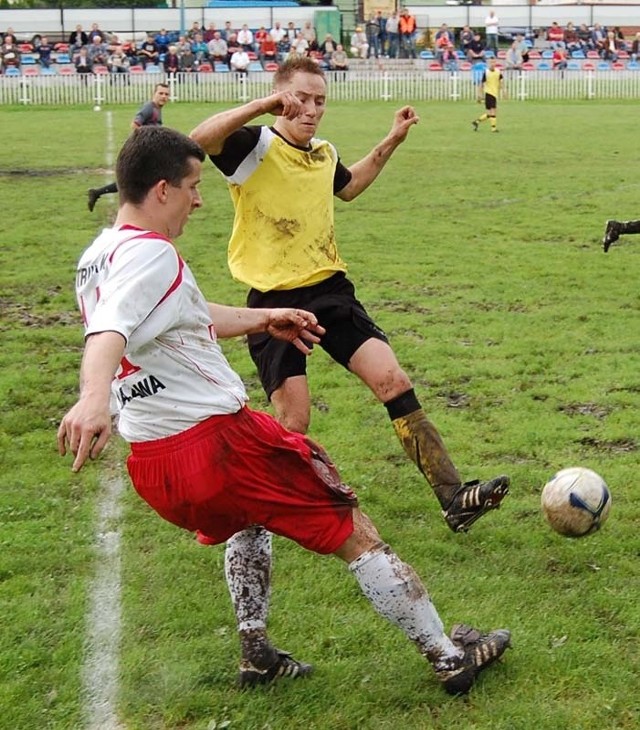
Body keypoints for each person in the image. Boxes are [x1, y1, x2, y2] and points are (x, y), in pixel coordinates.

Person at [58, 124, 511, 695]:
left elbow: (187, 317)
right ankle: (450, 658)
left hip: (154, 461)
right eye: (194, 186)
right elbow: (109, 331)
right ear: (162, 190)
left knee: (247, 520)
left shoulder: (97, 256)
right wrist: (92, 399)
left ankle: (257, 654)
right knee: (355, 531)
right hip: (218, 442)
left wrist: (265, 318)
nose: (200, 199)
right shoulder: (153, 255)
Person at [191, 55, 510, 535]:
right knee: (293, 421)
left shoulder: (322, 152)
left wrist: (391, 141)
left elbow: (350, 186)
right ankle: (247, 507)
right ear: (281, 96)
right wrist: (262, 105)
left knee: (394, 381)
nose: (312, 109)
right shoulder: (252, 147)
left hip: (331, 292)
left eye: (320, 100)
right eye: (300, 98)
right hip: (273, 302)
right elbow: (197, 141)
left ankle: (453, 497)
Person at [87, 83, 170, 212]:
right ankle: (100, 194)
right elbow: (135, 125)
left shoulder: (157, 109)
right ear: (153, 94)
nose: (164, 96)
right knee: (135, 181)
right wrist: (146, 142)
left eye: (166, 94)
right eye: (161, 93)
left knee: (144, 179)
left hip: (149, 151)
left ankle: (98, 193)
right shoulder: (149, 108)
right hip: (142, 151)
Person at [472, 56, 505, 133]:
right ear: (488, 63)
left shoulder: (498, 71)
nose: (493, 64)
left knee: (490, 113)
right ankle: (493, 128)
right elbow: (481, 84)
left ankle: (476, 122)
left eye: (494, 62)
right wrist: (480, 95)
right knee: (493, 111)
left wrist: (504, 90)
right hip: (489, 93)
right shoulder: (486, 72)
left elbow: (501, 81)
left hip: (495, 93)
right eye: (491, 62)